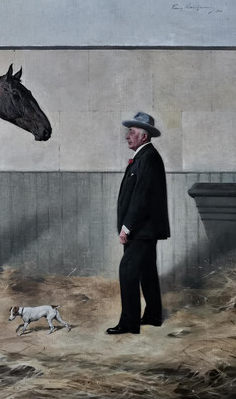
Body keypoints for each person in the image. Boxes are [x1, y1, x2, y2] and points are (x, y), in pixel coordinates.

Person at [107, 112, 170, 335]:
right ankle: (153, 316)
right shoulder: (146, 157)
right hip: (144, 229)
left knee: (128, 272)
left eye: (131, 132)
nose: (127, 136)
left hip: (141, 230)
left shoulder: (148, 158)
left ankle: (129, 323)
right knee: (147, 271)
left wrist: (127, 227)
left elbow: (141, 198)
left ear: (144, 136)